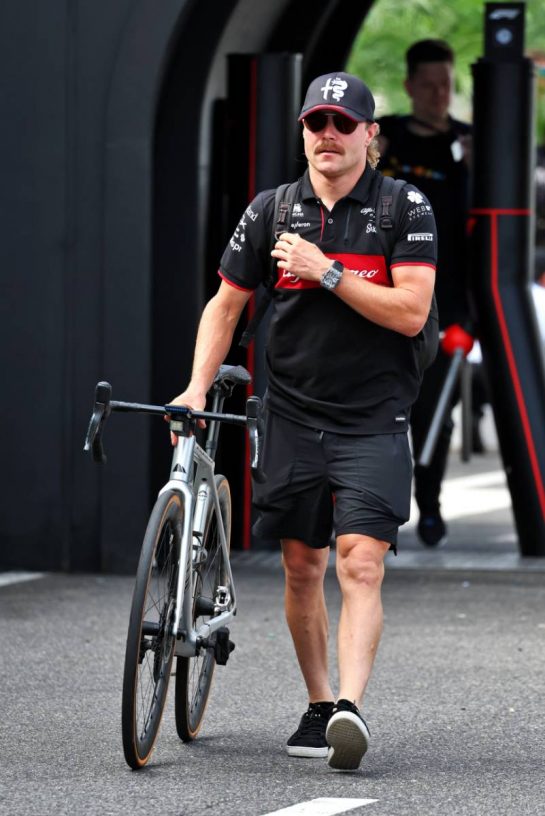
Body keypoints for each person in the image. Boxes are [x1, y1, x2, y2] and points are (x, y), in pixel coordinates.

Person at [170, 71, 437, 771]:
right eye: (316, 123)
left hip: (374, 415)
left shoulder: (402, 207)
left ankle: (351, 706)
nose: (327, 135)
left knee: (361, 561)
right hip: (288, 410)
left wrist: (325, 273)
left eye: (342, 124)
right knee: (300, 565)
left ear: (368, 135)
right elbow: (225, 305)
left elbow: (410, 312)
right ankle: (320, 704)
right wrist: (196, 388)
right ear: (302, 132)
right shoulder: (270, 211)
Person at [377, 40, 474, 547]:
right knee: (378, 411)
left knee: (435, 412)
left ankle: (430, 503)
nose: (439, 94)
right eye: (430, 84)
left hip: (445, 303)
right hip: (376, 298)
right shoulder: (383, 137)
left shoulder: (469, 144)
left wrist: (471, 316)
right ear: (411, 85)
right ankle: (376, 511)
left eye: (447, 85)